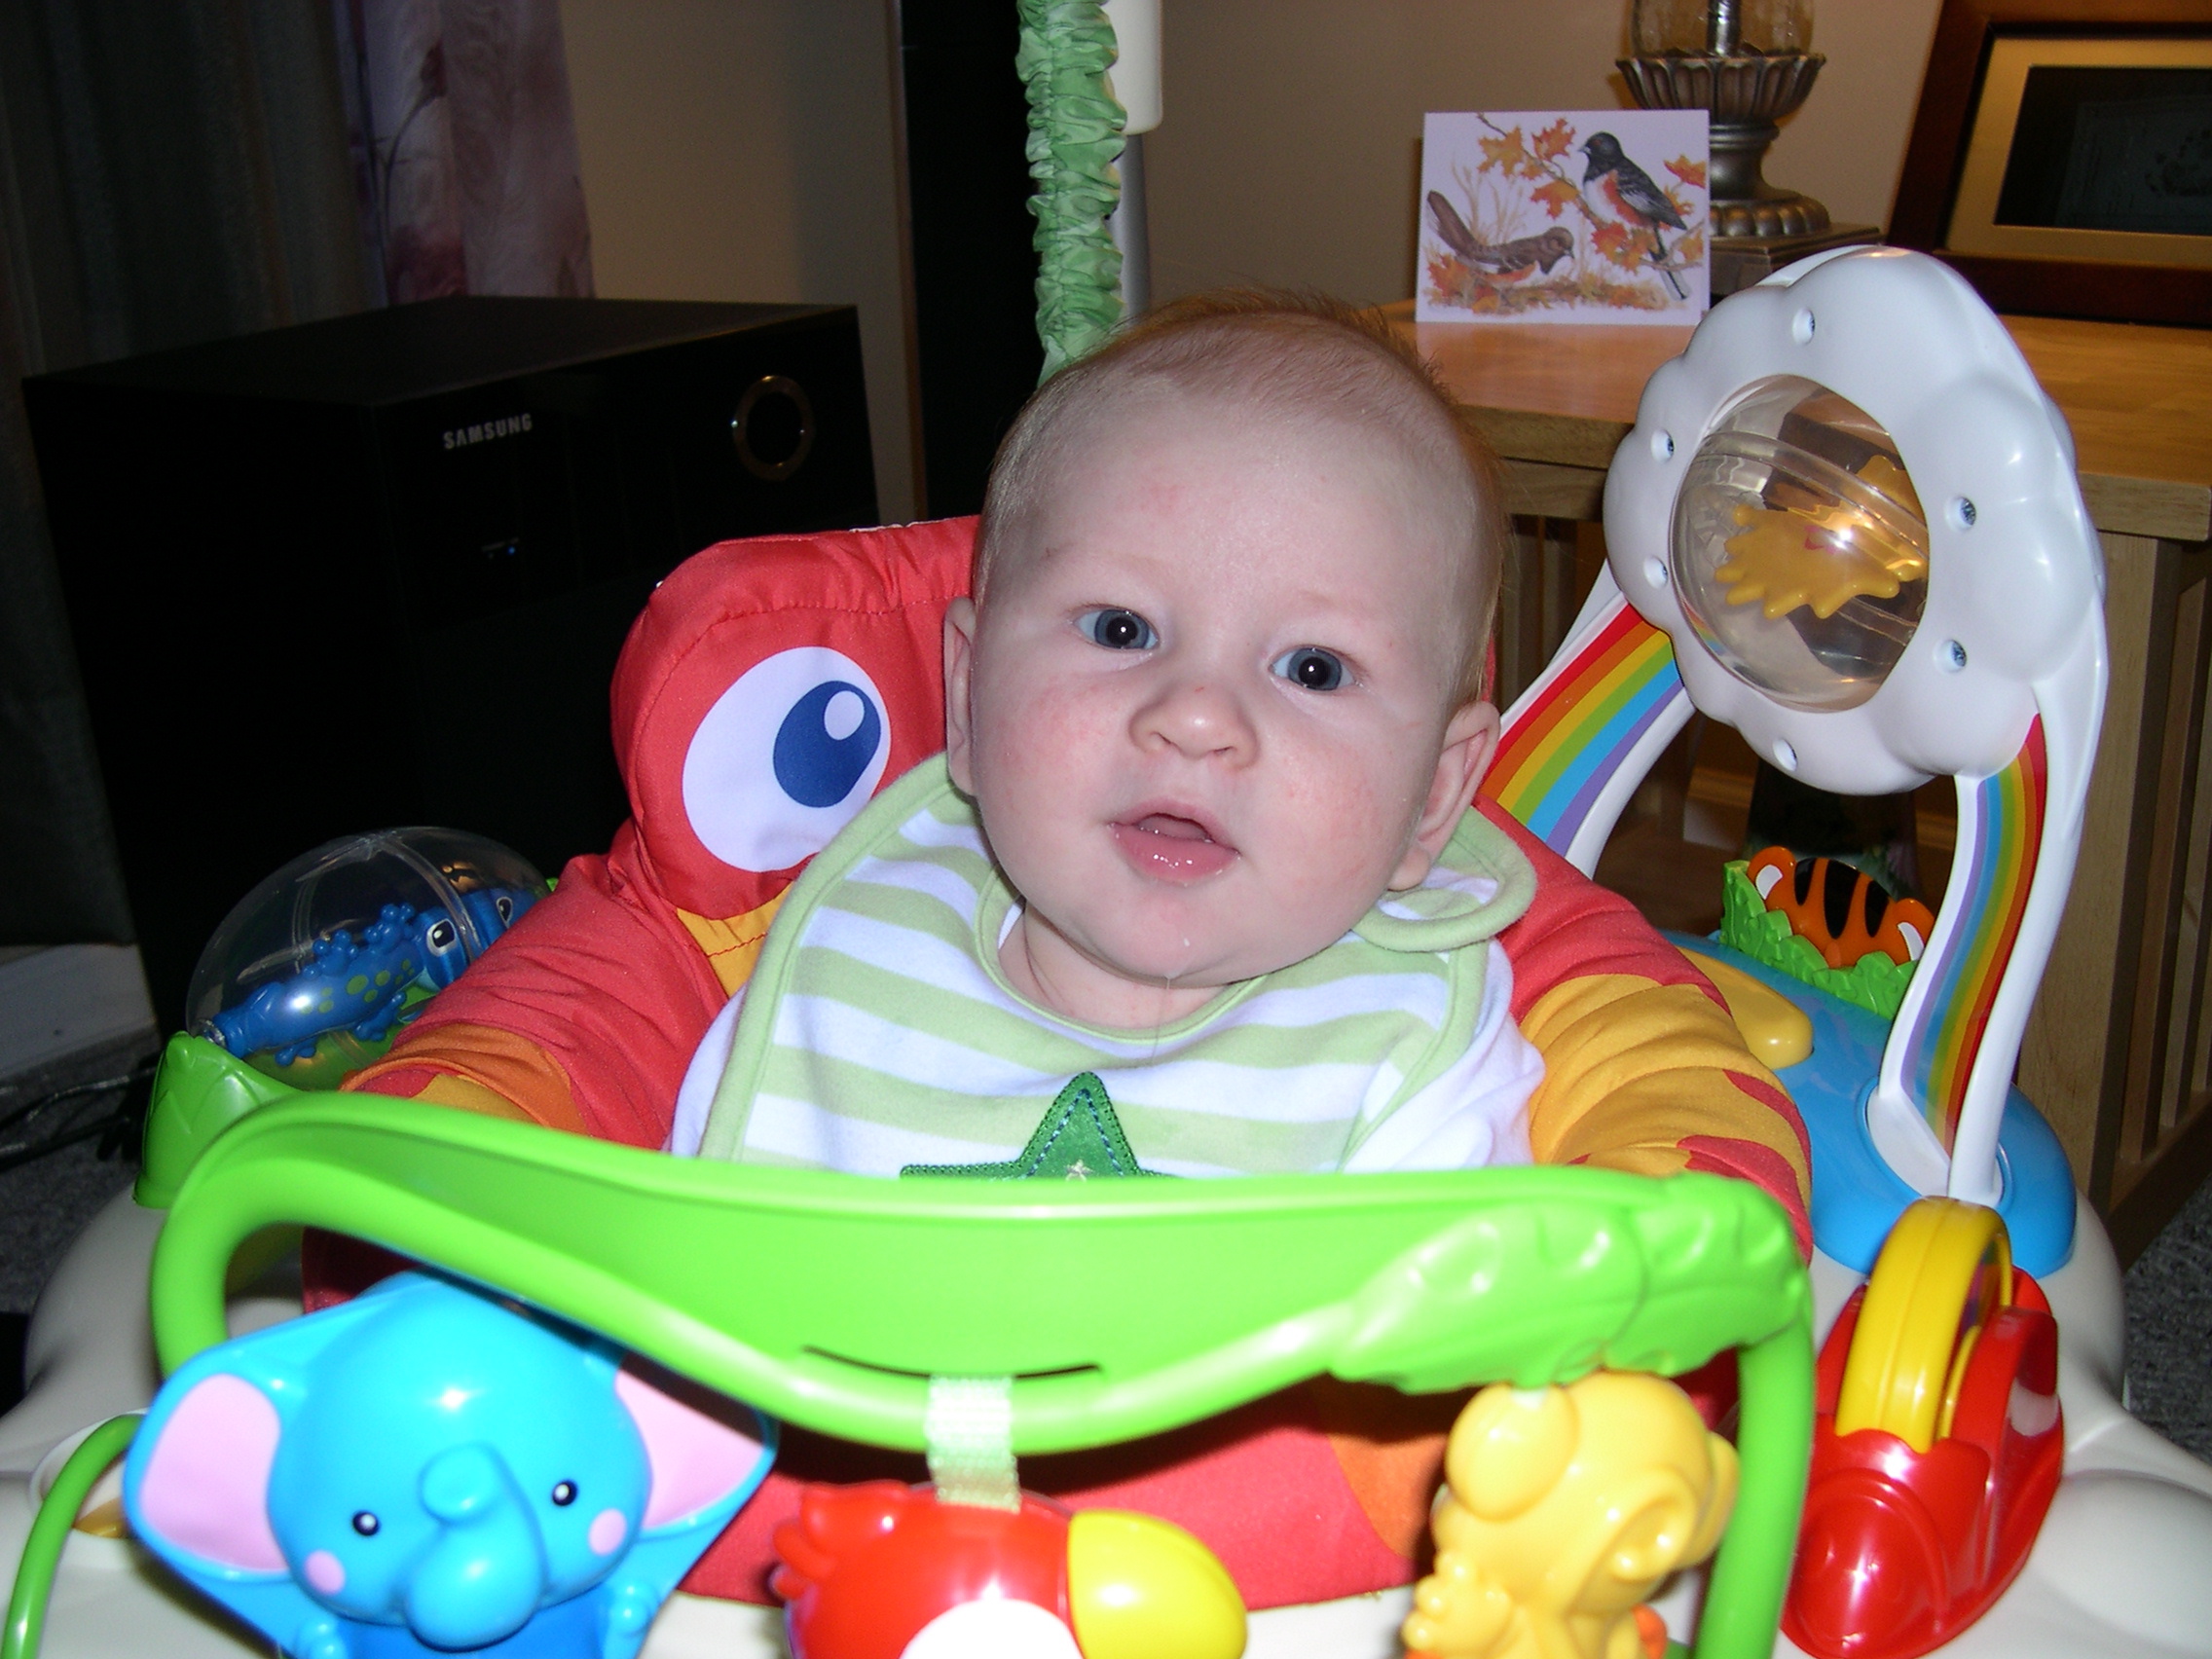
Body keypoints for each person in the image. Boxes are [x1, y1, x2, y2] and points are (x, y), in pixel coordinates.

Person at [673, 290, 1547, 1177]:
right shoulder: (845, 963)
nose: (1197, 717)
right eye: (1121, 629)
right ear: (970, 694)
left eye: (1312, 669)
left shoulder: (1410, 1055)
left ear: (1433, 795)